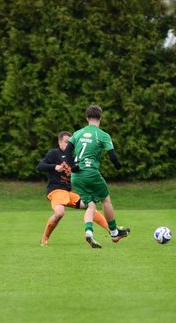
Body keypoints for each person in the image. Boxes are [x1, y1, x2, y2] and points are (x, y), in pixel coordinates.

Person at [64, 105, 130, 248]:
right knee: (105, 200)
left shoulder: (77, 133)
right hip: (90, 173)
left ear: (86, 117)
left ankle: (89, 232)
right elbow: (112, 156)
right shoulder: (103, 135)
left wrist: (72, 166)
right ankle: (114, 232)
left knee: (91, 205)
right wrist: (119, 166)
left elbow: (67, 152)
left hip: (76, 176)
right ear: (101, 117)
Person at [37, 131, 110, 246]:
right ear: (59, 142)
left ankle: (111, 230)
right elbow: (40, 166)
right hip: (56, 191)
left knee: (90, 205)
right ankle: (44, 238)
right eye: (66, 142)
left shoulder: (73, 156)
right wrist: (54, 166)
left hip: (68, 193)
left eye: (70, 142)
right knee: (59, 213)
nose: (69, 144)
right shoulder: (54, 153)